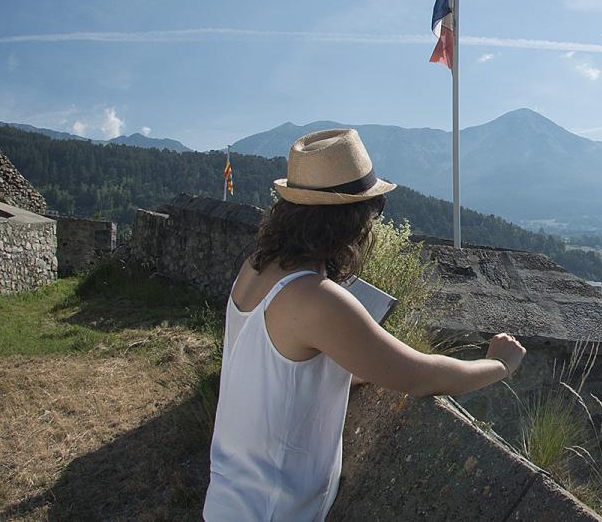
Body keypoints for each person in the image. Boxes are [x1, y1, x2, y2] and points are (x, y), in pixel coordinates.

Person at [203, 128, 525, 521]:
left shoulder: (256, 267)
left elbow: (278, 369)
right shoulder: (315, 299)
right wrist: (499, 364)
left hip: (228, 499)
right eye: (375, 209)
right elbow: (419, 376)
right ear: (350, 219)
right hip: (273, 510)